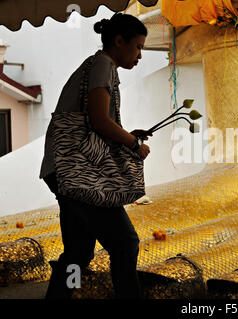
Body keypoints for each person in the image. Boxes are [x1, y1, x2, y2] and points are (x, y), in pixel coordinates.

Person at [40, 13, 150, 299]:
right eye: (138, 46)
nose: (140, 54)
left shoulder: (95, 65)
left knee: (78, 251)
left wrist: (127, 133)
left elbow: (95, 122)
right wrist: (134, 145)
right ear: (118, 41)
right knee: (125, 243)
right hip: (76, 172)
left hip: (60, 169)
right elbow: (100, 121)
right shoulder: (103, 64)